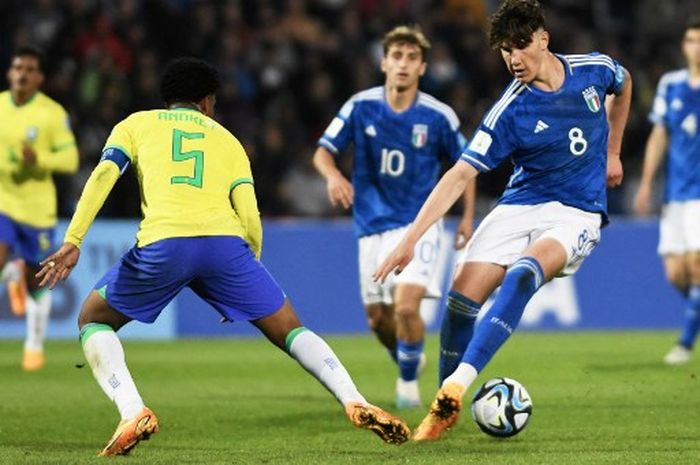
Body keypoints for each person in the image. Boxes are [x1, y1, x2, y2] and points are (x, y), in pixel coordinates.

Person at [36, 57, 410, 456]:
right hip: (226, 246)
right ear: (206, 101)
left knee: (92, 319)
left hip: (166, 242)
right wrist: (246, 271)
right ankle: (353, 397)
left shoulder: (135, 124)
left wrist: (74, 238)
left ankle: (132, 411)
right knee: (290, 329)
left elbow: (103, 176)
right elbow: (250, 215)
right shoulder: (227, 139)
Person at [374, 0, 632, 441]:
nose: (513, 59)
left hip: (576, 212)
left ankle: (453, 390)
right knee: (460, 302)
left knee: (522, 276)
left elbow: (624, 85)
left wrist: (612, 151)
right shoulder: (510, 110)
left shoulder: (594, 70)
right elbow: (459, 174)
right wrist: (410, 239)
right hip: (519, 204)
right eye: (505, 50)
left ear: (543, 39)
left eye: (520, 46)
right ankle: (444, 406)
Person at [312, 25, 475, 409]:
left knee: (405, 307)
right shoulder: (360, 106)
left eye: (412, 57)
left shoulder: (439, 116)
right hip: (371, 226)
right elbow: (322, 151)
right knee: (378, 320)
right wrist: (333, 174)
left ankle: (407, 387)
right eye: (397, 56)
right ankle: (406, 356)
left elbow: (466, 166)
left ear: (422, 67)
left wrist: (467, 218)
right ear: (384, 62)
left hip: (420, 225)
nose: (403, 64)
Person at [0, 45, 79, 371]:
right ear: (10, 73)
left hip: (38, 210)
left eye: (30, 69)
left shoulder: (52, 113)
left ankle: (34, 344)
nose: (22, 74)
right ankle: (8, 270)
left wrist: (39, 160)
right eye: (17, 67)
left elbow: (71, 159)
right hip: (3, 202)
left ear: (40, 78)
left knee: (37, 281)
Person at [633, 16, 700, 365]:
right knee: (676, 273)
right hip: (676, 193)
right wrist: (646, 182)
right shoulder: (670, 85)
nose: (696, 47)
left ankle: (685, 343)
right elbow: (659, 135)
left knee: (696, 264)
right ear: (684, 46)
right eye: (691, 40)